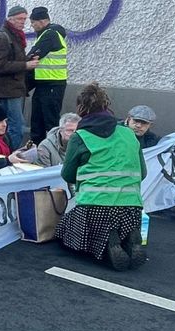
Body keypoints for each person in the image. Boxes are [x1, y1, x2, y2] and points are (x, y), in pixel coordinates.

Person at [55, 83, 147, 270]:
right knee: (122, 218)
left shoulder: (80, 136)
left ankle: (109, 242)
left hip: (96, 204)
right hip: (132, 205)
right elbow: (143, 173)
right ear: (107, 105)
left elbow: (68, 174)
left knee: (65, 229)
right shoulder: (128, 133)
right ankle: (128, 235)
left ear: (81, 108)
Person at [0, 5, 39, 150]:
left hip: (14, 87)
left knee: (10, 125)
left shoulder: (15, 35)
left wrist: (27, 59)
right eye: (19, 19)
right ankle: (10, 156)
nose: (23, 22)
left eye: (24, 19)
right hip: (7, 89)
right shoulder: (3, 37)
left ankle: (5, 152)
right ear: (10, 19)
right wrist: (25, 65)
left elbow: (12, 59)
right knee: (16, 126)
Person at [27, 7, 68, 144]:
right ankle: (37, 151)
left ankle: (54, 152)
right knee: (37, 121)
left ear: (43, 21)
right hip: (44, 84)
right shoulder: (47, 34)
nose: (31, 25)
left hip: (52, 85)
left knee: (50, 123)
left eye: (33, 22)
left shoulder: (50, 35)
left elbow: (33, 55)